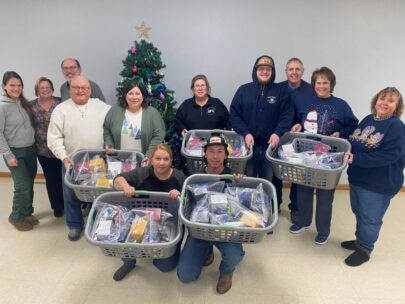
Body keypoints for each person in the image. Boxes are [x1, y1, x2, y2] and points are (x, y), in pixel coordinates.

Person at [288, 67, 358, 245]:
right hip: (307, 155)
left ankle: (323, 231)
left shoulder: (341, 105)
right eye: (318, 82)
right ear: (314, 84)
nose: (321, 86)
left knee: (325, 196)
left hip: (330, 158)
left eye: (325, 82)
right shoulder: (306, 101)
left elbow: (353, 126)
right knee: (303, 190)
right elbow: (299, 121)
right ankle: (303, 222)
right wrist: (297, 125)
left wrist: (340, 133)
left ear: (331, 84)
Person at [344, 87, 405, 266]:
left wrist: (356, 158)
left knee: (370, 218)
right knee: (359, 213)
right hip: (358, 178)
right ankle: (359, 241)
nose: (384, 103)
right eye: (382, 98)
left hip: (378, 184)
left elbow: (390, 155)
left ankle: (364, 249)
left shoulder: (396, 127)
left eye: (390, 101)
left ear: (397, 106)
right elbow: (355, 140)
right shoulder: (368, 119)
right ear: (375, 100)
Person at [177, 135, 245, 294]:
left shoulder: (233, 177)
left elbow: (242, 208)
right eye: (211, 151)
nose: (215, 156)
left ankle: (227, 271)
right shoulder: (195, 178)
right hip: (200, 230)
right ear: (204, 155)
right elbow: (188, 207)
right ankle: (207, 251)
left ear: (226, 155)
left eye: (220, 151)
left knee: (235, 255)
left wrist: (240, 187)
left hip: (225, 230)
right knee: (185, 276)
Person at [47, 75, 110, 241]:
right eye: (76, 87)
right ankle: (75, 225)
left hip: (98, 161)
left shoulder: (102, 107)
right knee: (70, 195)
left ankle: (100, 223)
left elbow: (114, 124)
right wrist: (63, 156)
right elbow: (54, 138)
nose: (80, 90)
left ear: (89, 89)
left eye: (84, 87)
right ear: (70, 89)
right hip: (72, 161)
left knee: (100, 193)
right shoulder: (61, 109)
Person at [112, 143, 186, 281]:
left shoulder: (179, 177)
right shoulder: (142, 173)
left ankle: (153, 250)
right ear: (151, 160)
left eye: (166, 159)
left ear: (171, 161)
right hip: (142, 219)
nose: (162, 163)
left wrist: (180, 194)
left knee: (165, 266)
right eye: (158, 158)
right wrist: (126, 186)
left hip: (168, 224)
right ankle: (128, 262)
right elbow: (117, 180)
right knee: (126, 235)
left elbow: (188, 202)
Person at [230, 55, 294, 180]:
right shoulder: (243, 90)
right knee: (249, 183)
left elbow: (287, 116)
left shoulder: (281, 91)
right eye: (261, 68)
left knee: (268, 183)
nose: (264, 72)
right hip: (248, 148)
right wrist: (245, 133)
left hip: (271, 149)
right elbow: (234, 115)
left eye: (268, 69)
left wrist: (277, 133)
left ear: (273, 71)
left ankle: (270, 200)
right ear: (255, 71)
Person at [277, 58, 315, 223]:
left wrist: (300, 124)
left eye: (297, 69)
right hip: (280, 135)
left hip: (301, 138)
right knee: (276, 173)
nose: (294, 72)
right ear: (286, 72)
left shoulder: (311, 90)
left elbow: (314, 113)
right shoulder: (278, 88)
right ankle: (275, 205)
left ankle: (295, 208)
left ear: (302, 71)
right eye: (290, 69)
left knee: (297, 173)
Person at [0, 71, 38, 231]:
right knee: (22, 185)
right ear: (4, 87)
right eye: (12, 85)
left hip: (30, 149)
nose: (16, 88)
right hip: (14, 152)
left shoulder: (24, 103)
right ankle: (16, 216)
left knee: (29, 182)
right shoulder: (2, 106)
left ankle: (27, 212)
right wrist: (8, 155)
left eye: (19, 85)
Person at [103, 82, 165, 164]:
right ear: (125, 96)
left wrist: (149, 155)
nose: (134, 97)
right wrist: (109, 143)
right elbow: (107, 128)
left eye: (137, 93)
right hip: (118, 162)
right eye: (130, 93)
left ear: (143, 96)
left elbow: (158, 136)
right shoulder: (115, 111)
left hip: (143, 161)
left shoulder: (152, 113)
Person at [30, 77, 64, 217]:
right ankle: (56, 207)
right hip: (43, 150)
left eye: (47, 87)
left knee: (64, 179)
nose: (45, 89)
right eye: (41, 87)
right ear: (37, 90)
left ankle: (66, 204)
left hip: (62, 148)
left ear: (52, 88)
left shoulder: (60, 102)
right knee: (51, 179)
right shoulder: (30, 105)